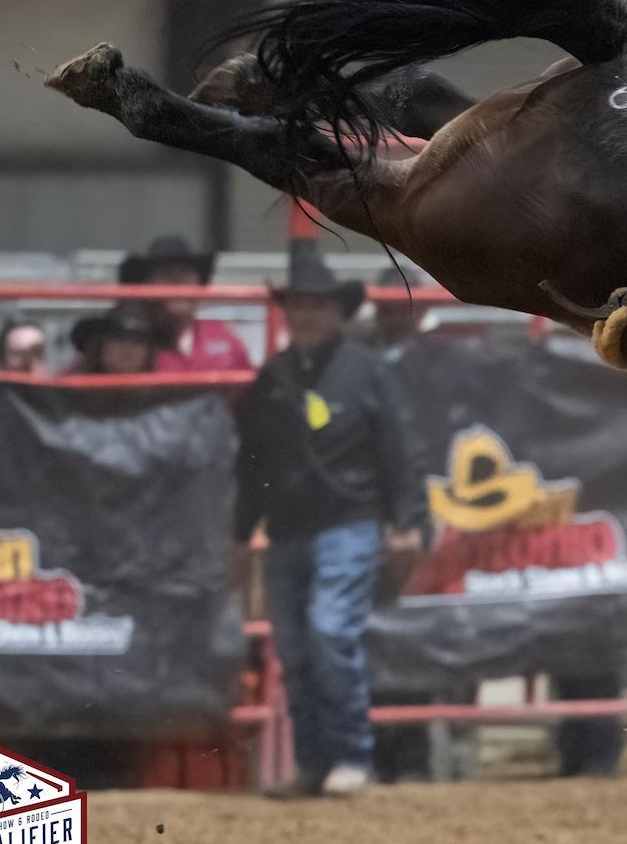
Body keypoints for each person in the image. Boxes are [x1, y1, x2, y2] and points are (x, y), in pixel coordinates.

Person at [233, 244, 429, 798]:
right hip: (288, 530)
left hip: (350, 522)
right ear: (288, 312)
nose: (307, 314)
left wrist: (405, 521)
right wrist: (241, 532)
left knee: (328, 630)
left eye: (317, 305)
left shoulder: (366, 373)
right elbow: (252, 464)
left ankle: (349, 756)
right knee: (295, 650)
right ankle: (315, 762)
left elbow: (400, 449)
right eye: (298, 304)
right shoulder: (272, 379)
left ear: (338, 313)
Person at [118, 234, 254, 373]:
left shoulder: (223, 336)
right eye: (165, 273)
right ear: (145, 284)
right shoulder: (128, 343)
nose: (177, 282)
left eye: (185, 273)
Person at [68, 301, 157, 375]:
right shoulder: (73, 391)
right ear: (100, 346)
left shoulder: (163, 394)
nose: (128, 347)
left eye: (138, 341)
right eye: (118, 339)